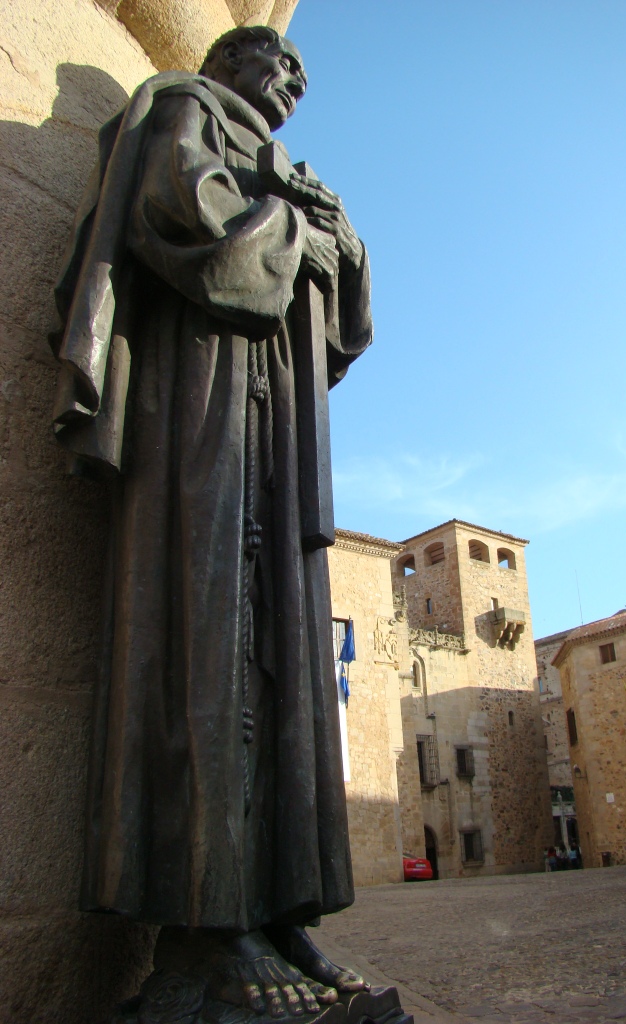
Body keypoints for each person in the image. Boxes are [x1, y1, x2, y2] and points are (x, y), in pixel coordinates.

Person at [52, 22, 372, 1020]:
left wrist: (341, 245)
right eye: (279, 62)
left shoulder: (284, 165)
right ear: (229, 58)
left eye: (302, 74)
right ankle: (206, 917)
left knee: (278, 655)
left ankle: (278, 908)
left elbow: (341, 328)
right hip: (199, 400)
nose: (292, 81)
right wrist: (297, 235)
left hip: (274, 430)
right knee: (205, 634)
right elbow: (181, 211)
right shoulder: (188, 108)